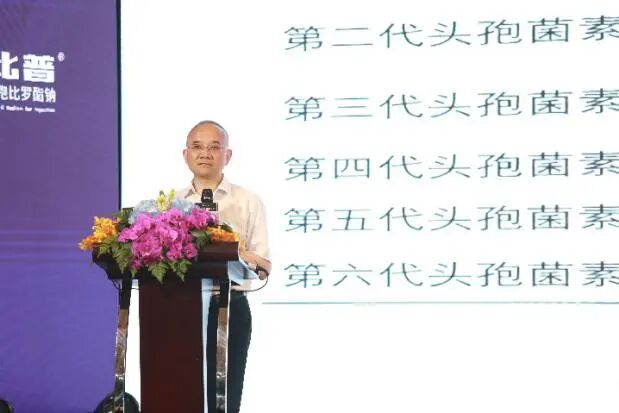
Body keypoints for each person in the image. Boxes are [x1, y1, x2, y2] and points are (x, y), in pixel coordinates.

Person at [176, 120, 271, 413]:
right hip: (179, 309)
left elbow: (263, 264)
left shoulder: (248, 201)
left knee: (224, 397)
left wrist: (232, 252)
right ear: (185, 154)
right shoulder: (171, 204)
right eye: (197, 147)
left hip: (228, 306)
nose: (204, 153)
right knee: (179, 391)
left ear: (227, 156)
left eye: (214, 147)